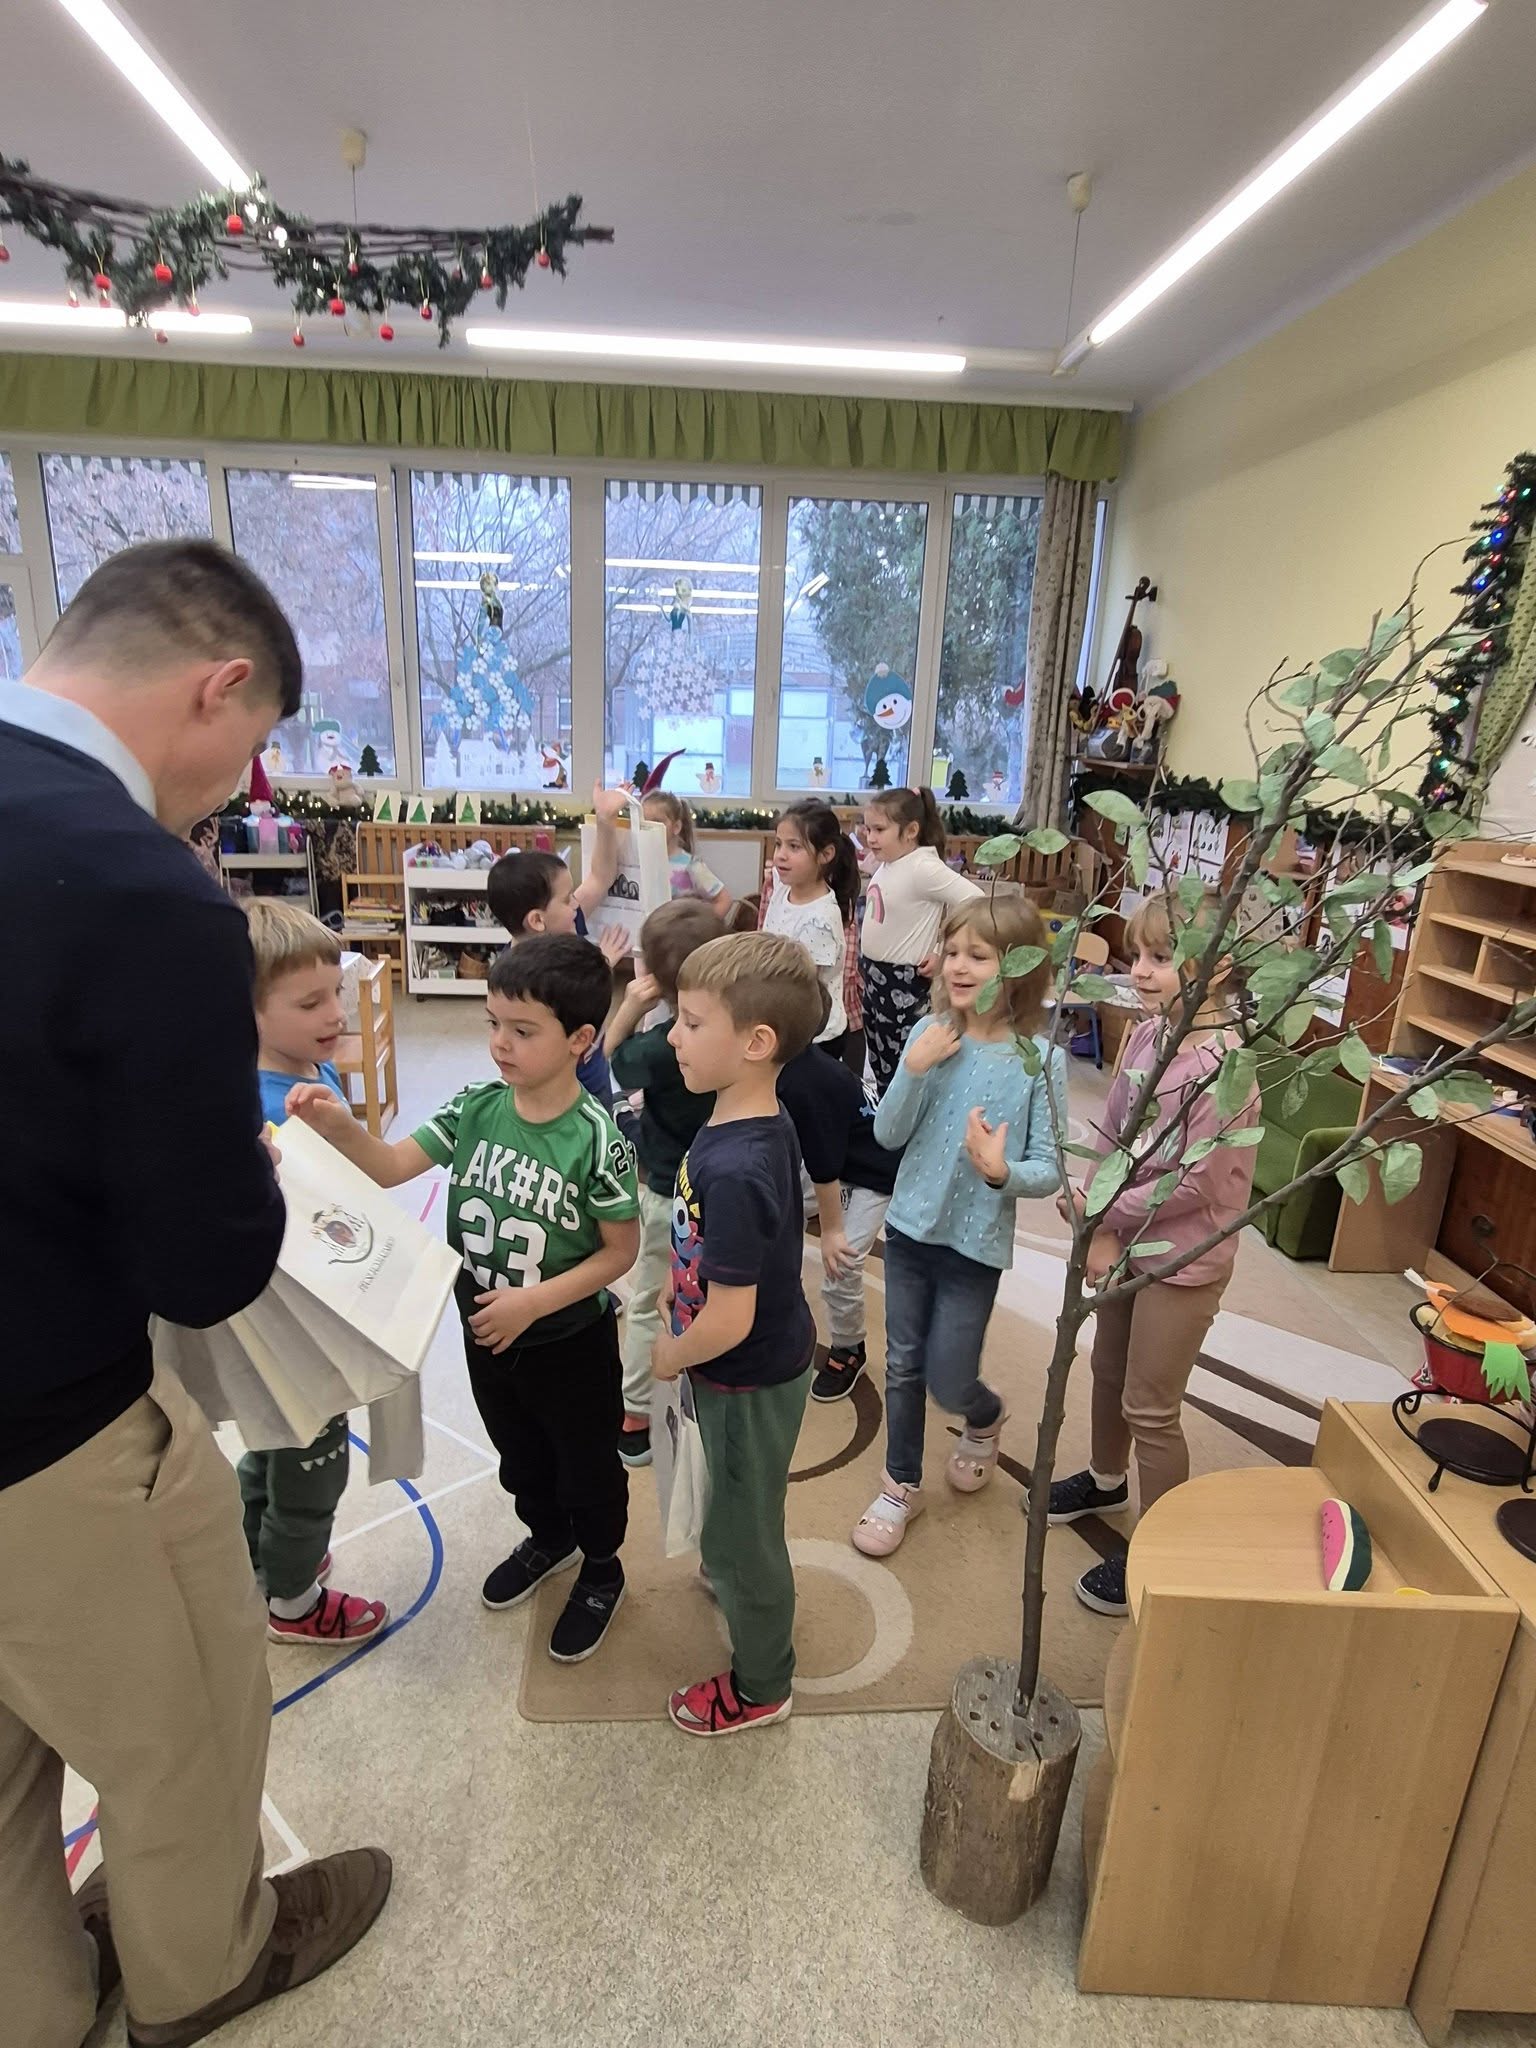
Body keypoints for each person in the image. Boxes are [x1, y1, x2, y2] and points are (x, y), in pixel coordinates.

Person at [0, 540, 390, 2048]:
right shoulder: (140, 890)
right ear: (219, 687)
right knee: (184, 1725)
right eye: (253, 751)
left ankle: (35, 1998)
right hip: (50, 1419)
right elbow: (205, 1263)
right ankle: (200, 1964)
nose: (236, 790)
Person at [289, 935, 641, 1664]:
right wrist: (341, 1128)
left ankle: (603, 1568)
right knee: (519, 1453)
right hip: (483, 1326)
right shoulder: (475, 1107)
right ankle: (549, 1536)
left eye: (522, 1030)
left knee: (587, 1466)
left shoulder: (597, 1139)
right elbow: (391, 1166)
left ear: (580, 1040)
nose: (499, 1044)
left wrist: (534, 1304)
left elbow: (619, 1253)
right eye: (493, 1024)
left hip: (566, 1340)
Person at [1048, 891, 1259, 1617]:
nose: (1138, 970)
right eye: (1136, 954)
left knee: (1151, 1405)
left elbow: (1196, 1182)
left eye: (1160, 958)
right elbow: (1114, 1127)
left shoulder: (1226, 1069)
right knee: (1108, 1370)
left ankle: (1158, 1549)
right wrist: (1094, 1208)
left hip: (1182, 1261)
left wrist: (1104, 1212)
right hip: (1125, 1238)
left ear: (1216, 967)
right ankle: (1106, 1479)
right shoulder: (1145, 1037)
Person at [853, 898, 1064, 1557]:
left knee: (949, 1378)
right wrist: (913, 1070)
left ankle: (984, 1414)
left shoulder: (1040, 1061)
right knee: (902, 1364)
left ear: (1020, 968)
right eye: (952, 952)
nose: (959, 966)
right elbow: (888, 1134)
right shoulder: (930, 1034)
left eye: (979, 955)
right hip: (909, 1231)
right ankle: (900, 1486)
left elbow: (1050, 1167)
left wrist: (1003, 1173)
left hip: (975, 1243)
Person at [653, 932, 822, 1735]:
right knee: (732, 1507)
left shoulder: (738, 1164)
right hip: (741, 1360)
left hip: (743, 1374)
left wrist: (670, 1354)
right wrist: (676, 1278)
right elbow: (721, 1246)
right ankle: (728, 1566)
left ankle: (762, 1684)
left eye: (690, 1023)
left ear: (755, 1043)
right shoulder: (739, 1117)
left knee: (746, 1533)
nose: (671, 1037)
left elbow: (731, 1317)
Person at [239, 901, 388, 1644]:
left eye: (337, 992)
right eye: (310, 1003)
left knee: (272, 1444)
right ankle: (293, 1603)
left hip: (321, 1298)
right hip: (293, 1319)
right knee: (313, 1461)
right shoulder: (256, 1107)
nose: (335, 1014)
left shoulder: (309, 1067)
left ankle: (263, 1564)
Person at [603, 898, 722, 1467]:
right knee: (717, 1290)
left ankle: (634, 1413)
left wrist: (630, 1004)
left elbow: (609, 1058)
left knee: (650, 1301)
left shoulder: (659, 1045)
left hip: (665, 1193)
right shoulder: (730, 1034)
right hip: (721, 1185)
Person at [776, 1034, 900, 1403]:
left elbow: (823, 1164)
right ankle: (782, 1308)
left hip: (872, 1173)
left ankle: (849, 1348)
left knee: (841, 1264)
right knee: (776, 1216)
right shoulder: (788, 1065)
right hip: (835, 1157)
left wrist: (832, 1230)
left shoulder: (806, 1082)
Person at [486, 786, 630, 1102]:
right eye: (567, 899)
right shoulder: (521, 975)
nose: (576, 904)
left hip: (593, 1072)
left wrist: (605, 821)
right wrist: (603, 963)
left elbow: (601, 876)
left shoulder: (564, 922)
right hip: (558, 1087)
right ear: (538, 920)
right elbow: (574, 996)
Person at [858, 785, 980, 1096]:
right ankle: (885, 1112)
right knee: (881, 1061)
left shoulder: (923, 868)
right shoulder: (889, 863)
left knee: (903, 1065)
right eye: (868, 829)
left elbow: (974, 899)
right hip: (874, 978)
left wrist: (944, 951)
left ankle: (904, 1117)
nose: (870, 837)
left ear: (911, 831)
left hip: (901, 983)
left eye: (879, 830)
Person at [759, 800, 860, 1051]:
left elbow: (797, 986)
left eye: (794, 846)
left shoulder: (820, 921)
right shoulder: (785, 886)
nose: (781, 855)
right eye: (778, 844)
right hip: (786, 1021)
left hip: (815, 1035)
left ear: (826, 855)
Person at [642, 789, 734, 919]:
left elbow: (724, 900)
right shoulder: (639, 861)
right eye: (644, 822)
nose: (649, 828)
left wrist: (700, 927)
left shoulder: (690, 865)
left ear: (676, 827)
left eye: (657, 822)